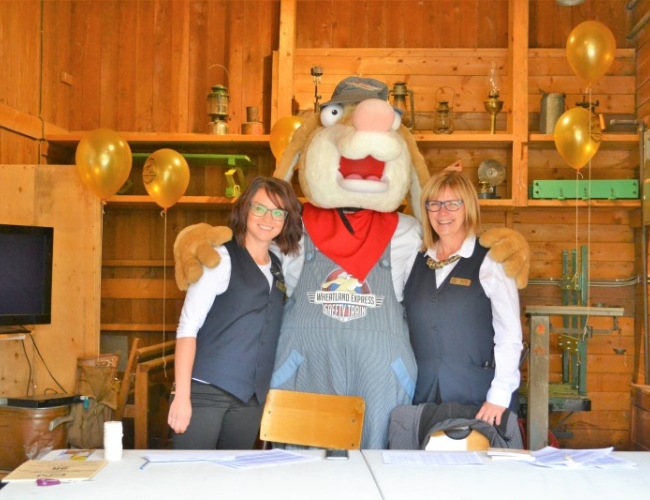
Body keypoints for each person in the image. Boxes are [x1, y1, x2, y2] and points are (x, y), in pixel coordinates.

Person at [168, 176, 303, 450]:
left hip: (250, 398)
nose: (268, 218)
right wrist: (182, 395)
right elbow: (187, 327)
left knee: (232, 482)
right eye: (260, 208)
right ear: (245, 209)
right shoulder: (220, 259)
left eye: (278, 212)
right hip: (205, 391)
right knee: (190, 481)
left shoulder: (279, 264)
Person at [403, 170, 523, 428]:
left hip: (480, 400)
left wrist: (499, 396)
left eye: (452, 203)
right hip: (423, 397)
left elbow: (510, 334)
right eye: (434, 204)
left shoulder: (491, 260)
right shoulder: (414, 260)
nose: (442, 213)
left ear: (468, 208)